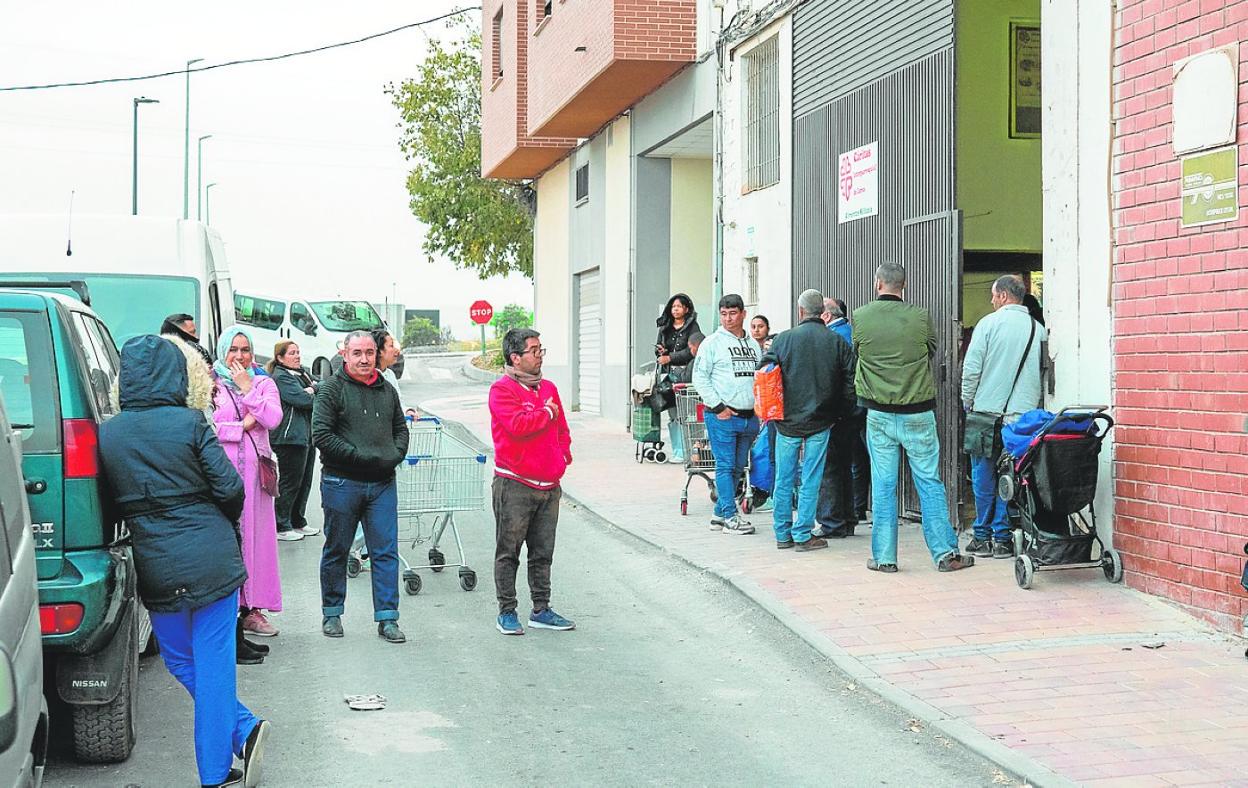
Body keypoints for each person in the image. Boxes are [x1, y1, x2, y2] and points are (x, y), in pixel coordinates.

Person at [99, 334, 270, 788]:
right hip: (211, 557)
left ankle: (241, 734)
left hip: (156, 563)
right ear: (177, 375)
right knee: (212, 661)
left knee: (178, 658)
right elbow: (232, 490)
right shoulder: (191, 423)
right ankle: (227, 754)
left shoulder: (109, 433)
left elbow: (109, 505)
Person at [854, 262, 973, 573]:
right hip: (918, 412)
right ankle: (946, 554)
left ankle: (884, 558)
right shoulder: (920, 317)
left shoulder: (861, 316)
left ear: (877, 283)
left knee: (883, 483)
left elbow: (858, 352)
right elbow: (930, 350)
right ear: (903, 286)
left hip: (878, 413)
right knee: (929, 482)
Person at [312, 331, 408, 644]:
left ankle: (387, 618)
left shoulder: (385, 388)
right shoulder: (330, 390)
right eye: (357, 353)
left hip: (382, 484)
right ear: (344, 353)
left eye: (369, 352)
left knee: (385, 552)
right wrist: (360, 456)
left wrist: (394, 455)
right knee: (337, 549)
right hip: (342, 483)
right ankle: (332, 612)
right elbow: (322, 436)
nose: (364, 359)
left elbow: (400, 429)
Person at [489, 328, 575, 635]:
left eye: (541, 350)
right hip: (514, 484)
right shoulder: (502, 390)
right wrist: (545, 414)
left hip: (548, 486)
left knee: (542, 553)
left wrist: (563, 455)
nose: (539, 356)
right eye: (534, 351)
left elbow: (561, 428)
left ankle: (541, 609)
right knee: (508, 551)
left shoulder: (549, 388)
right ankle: (507, 611)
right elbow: (517, 426)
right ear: (516, 357)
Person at [761, 289, 856, 551]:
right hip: (822, 421)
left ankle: (782, 533)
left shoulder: (783, 340)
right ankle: (803, 534)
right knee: (812, 478)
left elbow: (765, 373)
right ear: (821, 313)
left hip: (787, 422)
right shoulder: (836, 342)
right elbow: (850, 384)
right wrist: (841, 413)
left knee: (784, 478)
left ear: (800, 311)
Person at [961, 275, 1046, 559]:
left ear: (1004, 297)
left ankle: (982, 536)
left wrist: (967, 400)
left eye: (994, 295)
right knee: (1009, 476)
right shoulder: (1038, 329)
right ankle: (1002, 538)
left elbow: (972, 369)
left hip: (985, 413)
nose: (992, 300)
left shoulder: (988, 325)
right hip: (1020, 420)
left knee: (982, 476)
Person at [213, 327, 286, 641]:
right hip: (220, 476)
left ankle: (253, 609)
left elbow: (272, 418)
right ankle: (225, 610)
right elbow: (207, 426)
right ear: (222, 351)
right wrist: (240, 426)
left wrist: (248, 389)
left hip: (257, 481)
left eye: (245, 350)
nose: (240, 356)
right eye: (233, 349)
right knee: (226, 541)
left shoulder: (263, 383)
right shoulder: (210, 385)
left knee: (257, 541)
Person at [691, 294, 762, 535]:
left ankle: (719, 515)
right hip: (722, 416)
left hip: (748, 416)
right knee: (725, 465)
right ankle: (731, 516)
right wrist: (718, 406)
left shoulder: (753, 345)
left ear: (743, 314)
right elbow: (699, 377)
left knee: (739, 466)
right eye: (723, 313)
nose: (728, 318)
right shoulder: (711, 343)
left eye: (733, 313)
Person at [347, 328, 406, 571]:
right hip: (368, 460)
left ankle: (367, 547)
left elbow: (398, 415)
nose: (396, 349)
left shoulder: (389, 377)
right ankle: (354, 545)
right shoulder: (355, 384)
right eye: (391, 345)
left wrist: (397, 451)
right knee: (365, 504)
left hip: (387, 455)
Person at [814, 296, 868, 537]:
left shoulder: (834, 338)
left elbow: (835, 377)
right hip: (855, 410)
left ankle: (832, 521)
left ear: (826, 316)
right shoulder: (851, 333)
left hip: (838, 411)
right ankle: (849, 516)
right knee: (848, 465)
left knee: (831, 467)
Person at [267, 340, 319, 542]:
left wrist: (313, 388)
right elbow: (303, 400)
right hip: (289, 438)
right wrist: (312, 391)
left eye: (298, 352)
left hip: (307, 435)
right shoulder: (281, 377)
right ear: (280, 357)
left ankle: (298, 520)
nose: (297, 356)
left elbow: (323, 386)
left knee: (304, 481)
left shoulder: (302, 373)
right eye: (292, 353)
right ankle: (282, 525)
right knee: (290, 482)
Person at [655, 294, 702, 462]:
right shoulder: (665, 326)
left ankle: (689, 451)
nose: (675, 309)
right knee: (673, 413)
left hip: (686, 375)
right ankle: (678, 451)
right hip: (668, 375)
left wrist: (671, 357)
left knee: (687, 413)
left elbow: (693, 350)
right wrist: (661, 352)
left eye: (679, 306)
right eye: (673, 306)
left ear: (686, 309)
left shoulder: (692, 326)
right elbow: (659, 350)